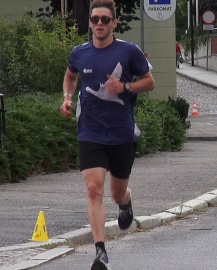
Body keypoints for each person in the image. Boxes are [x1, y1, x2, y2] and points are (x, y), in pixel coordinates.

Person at [60, 0, 155, 269]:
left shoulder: (129, 52)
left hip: (121, 132)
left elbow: (149, 82)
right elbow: (70, 76)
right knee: (93, 189)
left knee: (116, 193)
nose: (99, 24)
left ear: (114, 23)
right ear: (89, 23)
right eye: (94, 20)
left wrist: (124, 86)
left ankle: (126, 204)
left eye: (104, 20)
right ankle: (100, 251)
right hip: (90, 131)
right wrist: (67, 98)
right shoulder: (80, 52)